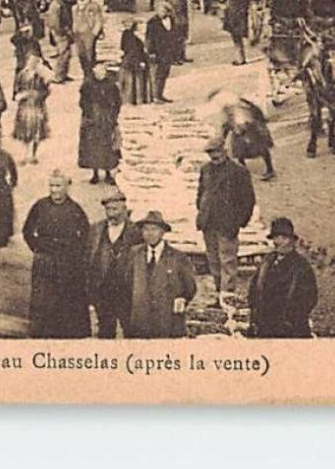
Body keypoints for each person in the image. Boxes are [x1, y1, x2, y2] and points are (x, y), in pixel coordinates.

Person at [21, 170, 92, 338]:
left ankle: (66, 333)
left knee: (66, 297)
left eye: (58, 186)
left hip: (68, 262)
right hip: (45, 260)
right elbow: (27, 231)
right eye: (51, 185)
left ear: (67, 187)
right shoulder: (40, 206)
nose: (54, 190)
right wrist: (37, 248)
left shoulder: (75, 209)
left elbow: (85, 235)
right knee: (44, 298)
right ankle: (43, 333)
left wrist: (74, 254)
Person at [195, 135, 256, 303]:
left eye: (216, 151)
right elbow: (201, 193)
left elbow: (248, 200)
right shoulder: (205, 169)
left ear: (224, 150)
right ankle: (218, 294)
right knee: (213, 261)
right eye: (210, 153)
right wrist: (202, 211)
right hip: (209, 223)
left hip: (227, 224)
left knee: (228, 262)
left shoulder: (238, 171)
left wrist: (239, 222)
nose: (214, 156)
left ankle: (227, 297)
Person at [122, 211, 197, 339]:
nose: (150, 233)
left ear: (162, 232)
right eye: (145, 229)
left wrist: (178, 303)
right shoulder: (133, 254)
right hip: (140, 321)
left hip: (168, 322)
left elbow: (189, 288)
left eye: (154, 229)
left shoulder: (178, 257)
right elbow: (126, 284)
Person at [248, 217, 319, 338]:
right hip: (265, 326)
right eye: (276, 237)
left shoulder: (301, 266)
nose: (278, 242)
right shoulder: (267, 261)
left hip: (291, 328)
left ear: (292, 241)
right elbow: (254, 288)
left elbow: (310, 298)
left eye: (284, 238)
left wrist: (293, 317)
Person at [86, 190, 142, 339]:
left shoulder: (136, 231)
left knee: (130, 328)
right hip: (103, 288)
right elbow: (88, 257)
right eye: (108, 209)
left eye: (115, 209)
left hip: (126, 290)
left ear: (124, 210)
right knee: (105, 329)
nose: (111, 214)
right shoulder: (96, 229)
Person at [78, 61, 122, 185]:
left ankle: (108, 173)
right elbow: (83, 102)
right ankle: (95, 173)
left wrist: (113, 116)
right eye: (98, 70)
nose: (101, 73)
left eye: (103, 70)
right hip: (92, 118)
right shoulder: (87, 85)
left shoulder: (111, 85)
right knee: (92, 146)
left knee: (108, 145)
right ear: (93, 71)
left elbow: (117, 101)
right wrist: (89, 114)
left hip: (107, 118)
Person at [12, 46, 52, 164]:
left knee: (36, 130)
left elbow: (46, 91)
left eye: (35, 61)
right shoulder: (21, 74)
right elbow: (16, 89)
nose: (32, 63)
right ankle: (25, 154)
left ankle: (33, 154)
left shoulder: (41, 75)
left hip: (36, 105)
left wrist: (37, 94)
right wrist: (18, 96)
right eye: (30, 60)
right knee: (24, 131)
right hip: (24, 106)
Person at [44, 0, 77, 84]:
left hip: (64, 31)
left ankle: (63, 74)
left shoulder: (61, 4)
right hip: (61, 33)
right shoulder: (56, 6)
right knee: (63, 53)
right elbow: (55, 23)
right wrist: (62, 32)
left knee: (67, 53)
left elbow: (74, 0)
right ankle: (58, 76)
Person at [145, 1, 177, 103]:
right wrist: (151, 51)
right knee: (156, 74)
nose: (161, 13)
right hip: (157, 52)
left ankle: (160, 94)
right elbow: (149, 38)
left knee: (164, 73)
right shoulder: (152, 22)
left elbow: (174, 35)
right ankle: (155, 97)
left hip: (167, 52)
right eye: (160, 10)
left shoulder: (171, 20)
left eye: (164, 11)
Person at [223, 0, 251, 65]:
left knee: (236, 37)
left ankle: (240, 58)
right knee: (237, 37)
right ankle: (240, 57)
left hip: (235, 16)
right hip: (237, 15)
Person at [119, 20, 149, 105]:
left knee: (133, 80)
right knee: (134, 80)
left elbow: (123, 47)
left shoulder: (127, 35)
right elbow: (132, 49)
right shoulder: (128, 35)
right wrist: (140, 60)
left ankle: (132, 100)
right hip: (133, 59)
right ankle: (133, 100)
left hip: (131, 58)